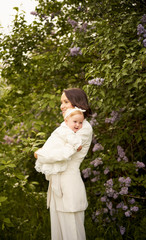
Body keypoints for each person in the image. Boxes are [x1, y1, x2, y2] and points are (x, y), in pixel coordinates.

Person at [34, 88, 93, 240]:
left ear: (78, 103)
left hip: (69, 185)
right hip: (57, 186)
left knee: (72, 234)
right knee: (58, 235)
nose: (62, 106)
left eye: (66, 102)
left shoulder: (82, 128)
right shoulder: (66, 126)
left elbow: (62, 154)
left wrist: (39, 154)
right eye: (61, 103)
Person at [34, 108, 85, 180]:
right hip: (54, 149)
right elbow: (71, 138)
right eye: (75, 121)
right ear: (66, 121)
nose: (77, 125)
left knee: (54, 168)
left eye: (80, 123)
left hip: (54, 149)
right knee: (54, 160)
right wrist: (77, 145)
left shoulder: (64, 129)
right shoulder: (66, 130)